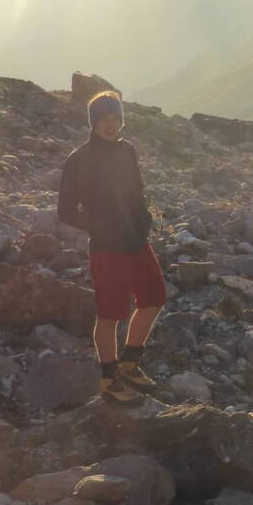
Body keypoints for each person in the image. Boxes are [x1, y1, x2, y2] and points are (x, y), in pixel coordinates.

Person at [57, 91, 166, 404]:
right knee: (110, 314)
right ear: (93, 122)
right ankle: (109, 378)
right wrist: (100, 226)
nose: (111, 124)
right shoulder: (79, 159)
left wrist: (142, 217)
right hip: (107, 248)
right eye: (104, 118)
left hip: (135, 240)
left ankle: (130, 363)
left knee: (154, 298)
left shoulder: (126, 150)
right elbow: (65, 210)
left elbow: (136, 188)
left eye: (116, 118)